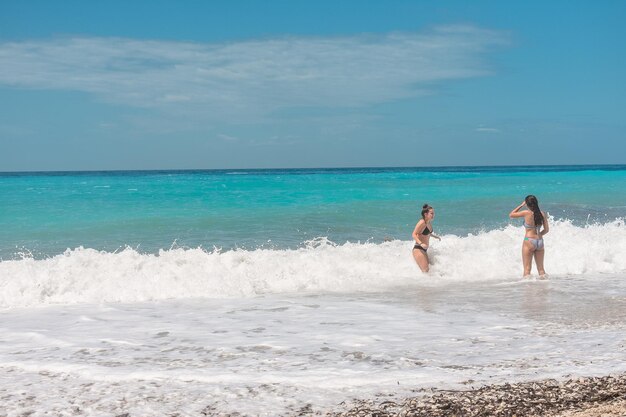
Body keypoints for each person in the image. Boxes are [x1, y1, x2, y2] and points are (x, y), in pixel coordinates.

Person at [509, 195, 550, 278]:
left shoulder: (526, 213)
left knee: (527, 270)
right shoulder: (542, 214)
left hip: (529, 239)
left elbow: (511, 215)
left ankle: (527, 289)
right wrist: (538, 236)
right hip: (540, 241)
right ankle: (544, 288)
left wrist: (521, 205)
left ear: (527, 204)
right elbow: (546, 230)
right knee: (541, 270)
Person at [412, 204, 441, 272]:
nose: (433, 215)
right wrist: (421, 243)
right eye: (431, 213)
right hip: (418, 249)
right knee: (426, 271)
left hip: (424, 250)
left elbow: (426, 233)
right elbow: (413, 234)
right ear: (425, 214)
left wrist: (435, 236)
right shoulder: (422, 222)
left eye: (433, 213)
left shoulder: (428, 222)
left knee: (429, 271)